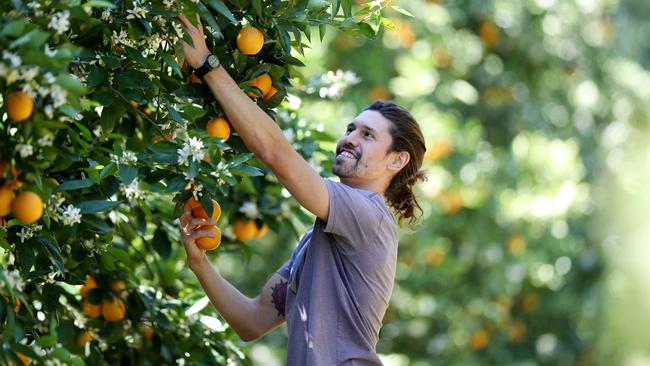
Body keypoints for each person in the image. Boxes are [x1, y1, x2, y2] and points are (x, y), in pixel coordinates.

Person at [176, 15, 427, 365]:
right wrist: (198, 263)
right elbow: (252, 321)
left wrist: (207, 65)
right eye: (351, 129)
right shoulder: (317, 241)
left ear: (397, 160)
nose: (349, 140)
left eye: (368, 135)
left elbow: (275, 153)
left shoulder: (369, 214)